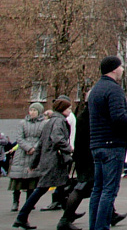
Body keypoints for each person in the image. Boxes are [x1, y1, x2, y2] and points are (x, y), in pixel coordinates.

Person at [88, 55, 127, 230]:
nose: (123, 69)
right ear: (113, 69)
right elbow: (118, 117)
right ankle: (102, 227)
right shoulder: (114, 89)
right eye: (120, 66)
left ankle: (94, 225)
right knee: (109, 191)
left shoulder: (95, 90)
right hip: (112, 145)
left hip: (97, 144)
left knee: (98, 190)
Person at [14, 96, 74, 229]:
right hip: (54, 161)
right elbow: (58, 139)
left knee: (62, 187)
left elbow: (41, 144)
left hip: (48, 160)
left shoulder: (50, 122)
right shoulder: (58, 122)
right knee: (42, 189)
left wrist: (34, 163)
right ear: (62, 109)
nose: (70, 111)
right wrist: (70, 148)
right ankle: (22, 216)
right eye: (68, 108)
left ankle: (69, 215)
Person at [8, 102, 46, 214]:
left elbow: (43, 138)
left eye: (35, 110)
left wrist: (35, 148)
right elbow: (19, 138)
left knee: (31, 180)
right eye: (31, 110)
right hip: (22, 154)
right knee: (17, 179)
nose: (32, 112)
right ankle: (15, 202)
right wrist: (28, 148)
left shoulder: (44, 124)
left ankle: (29, 202)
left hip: (35, 153)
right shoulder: (22, 123)